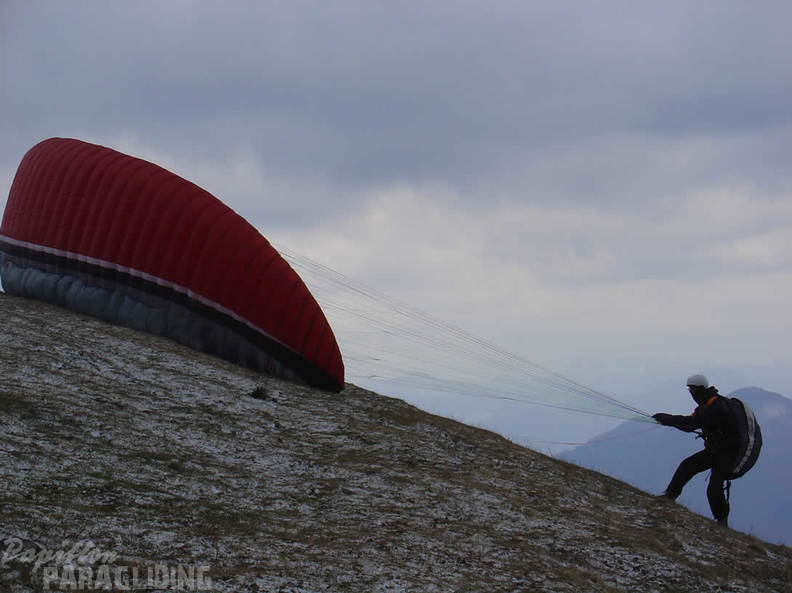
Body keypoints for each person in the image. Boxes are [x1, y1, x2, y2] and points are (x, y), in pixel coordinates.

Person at [652, 374, 739, 527]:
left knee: (714, 487)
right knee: (688, 466)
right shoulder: (706, 404)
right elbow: (691, 423)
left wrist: (668, 419)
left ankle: (722, 522)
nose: (690, 393)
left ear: (698, 390)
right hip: (717, 450)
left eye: (691, 389)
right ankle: (670, 496)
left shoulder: (714, 407)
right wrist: (668, 420)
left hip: (729, 453)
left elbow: (691, 423)